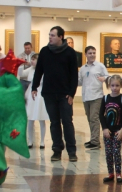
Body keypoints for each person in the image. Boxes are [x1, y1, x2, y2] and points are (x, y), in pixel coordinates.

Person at [31, 26, 79, 162]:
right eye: (49, 35)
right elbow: (39, 70)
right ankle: (57, 150)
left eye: (53, 35)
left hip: (65, 94)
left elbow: (74, 75)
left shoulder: (70, 52)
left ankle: (72, 151)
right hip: (49, 93)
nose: (50, 37)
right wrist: (34, 87)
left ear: (60, 37)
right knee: (54, 122)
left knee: (67, 122)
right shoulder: (45, 51)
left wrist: (72, 93)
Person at [78, 45, 110, 150]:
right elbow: (79, 81)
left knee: (94, 118)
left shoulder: (100, 66)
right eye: (90, 53)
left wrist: (104, 78)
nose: (92, 55)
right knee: (90, 119)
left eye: (94, 53)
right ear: (86, 55)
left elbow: (108, 77)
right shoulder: (83, 68)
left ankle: (95, 142)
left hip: (97, 96)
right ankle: (93, 139)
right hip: (86, 96)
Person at [99, 75, 122, 184]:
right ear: (109, 86)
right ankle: (110, 173)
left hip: (118, 131)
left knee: (116, 152)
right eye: (112, 85)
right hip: (108, 131)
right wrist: (104, 128)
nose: (115, 88)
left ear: (121, 86)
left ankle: (118, 173)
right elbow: (101, 115)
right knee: (108, 153)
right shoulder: (105, 98)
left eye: (117, 85)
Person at [21, 53, 48, 149]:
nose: (31, 61)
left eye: (34, 59)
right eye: (31, 59)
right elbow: (21, 74)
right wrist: (20, 65)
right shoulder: (30, 69)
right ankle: (30, 141)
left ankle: (42, 141)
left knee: (41, 118)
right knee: (30, 118)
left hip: (40, 94)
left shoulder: (44, 70)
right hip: (30, 93)